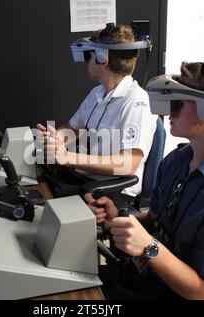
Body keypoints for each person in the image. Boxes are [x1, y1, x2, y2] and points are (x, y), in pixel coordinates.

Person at [85, 57, 204, 299]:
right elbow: (156, 219)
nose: (170, 111)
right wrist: (117, 218)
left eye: (179, 103)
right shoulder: (178, 160)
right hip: (143, 278)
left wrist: (149, 247)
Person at [36, 23, 157, 205]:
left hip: (111, 190)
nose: (86, 62)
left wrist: (68, 158)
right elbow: (71, 128)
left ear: (102, 59)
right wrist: (56, 139)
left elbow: (128, 164)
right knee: (38, 182)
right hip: (86, 180)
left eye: (88, 55)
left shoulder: (136, 102)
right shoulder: (97, 93)